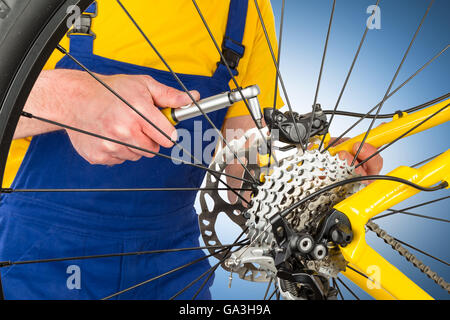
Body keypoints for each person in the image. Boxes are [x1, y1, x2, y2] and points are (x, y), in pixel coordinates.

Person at [0, 0, 382, 300]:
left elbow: (244, 170)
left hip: (171, 270)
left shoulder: (244, 10)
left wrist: (309, 182)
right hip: (32, 260)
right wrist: (69, 99)